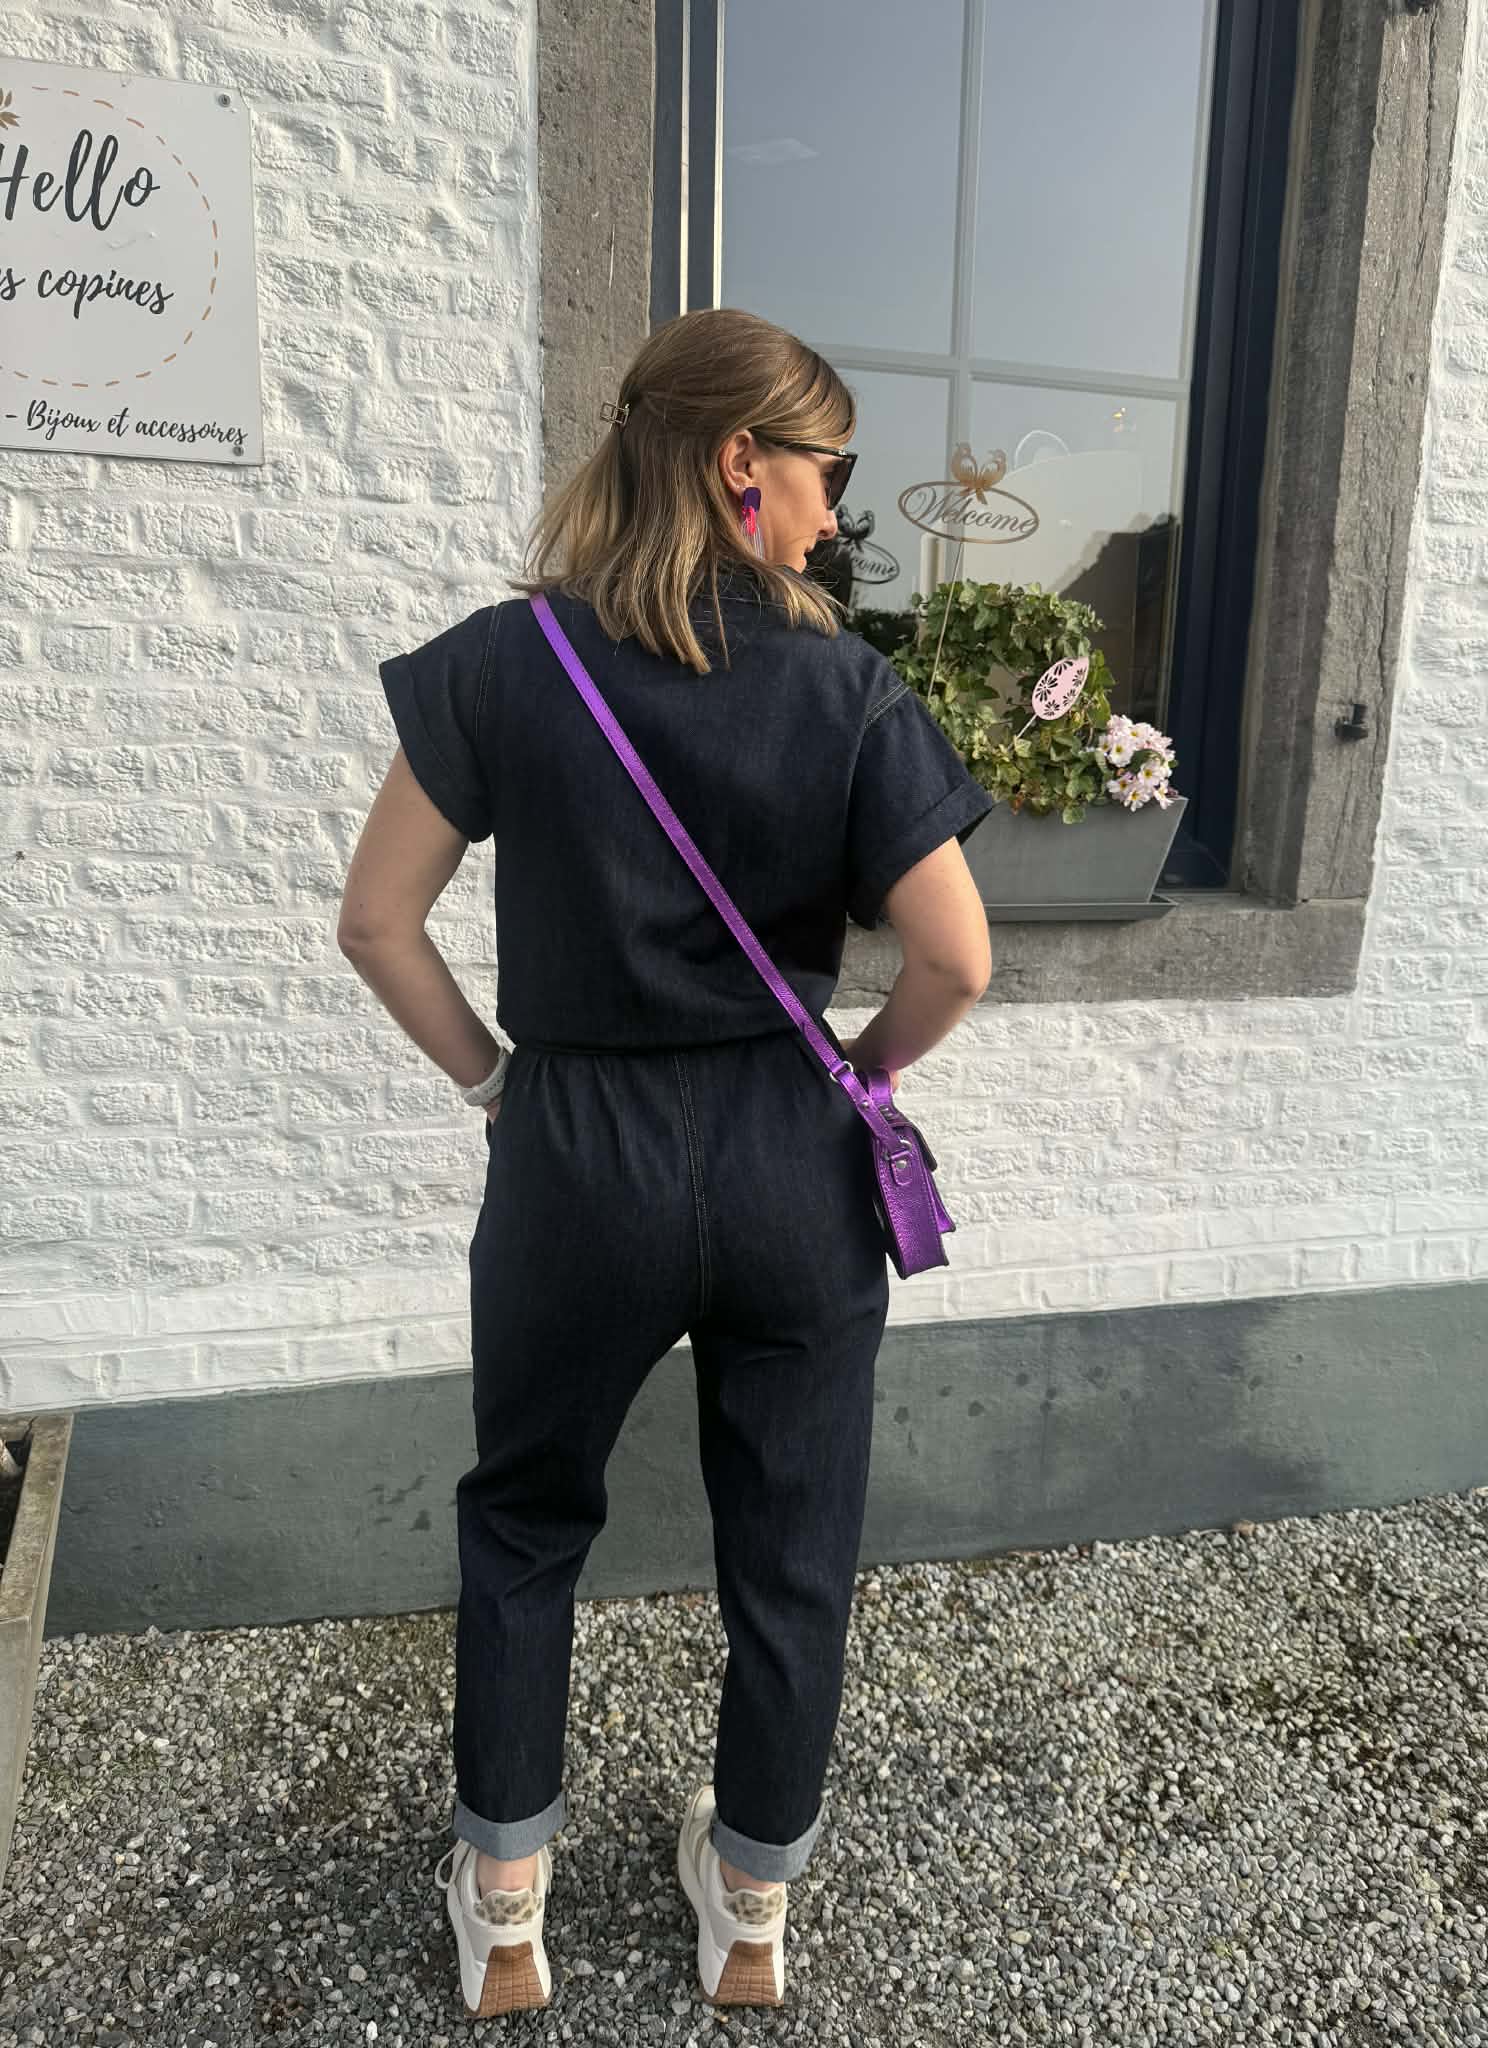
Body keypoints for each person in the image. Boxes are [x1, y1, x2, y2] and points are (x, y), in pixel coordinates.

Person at [337, 306, 995, 2015]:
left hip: (576, 1158)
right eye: (829, 467)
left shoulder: (506, 664)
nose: (840, 509)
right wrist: (853, 1077)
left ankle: (506, 1901)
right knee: (793, 1536)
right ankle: (752, 1903)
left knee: (526, 1516)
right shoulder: (847, 688)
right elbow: (956, 959)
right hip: (788, 1161)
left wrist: (498, 1085)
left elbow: (377, 922)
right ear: (737, 462)